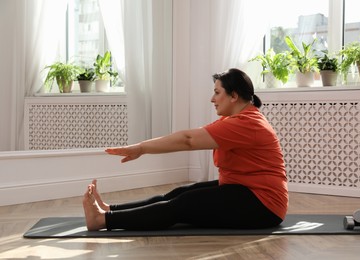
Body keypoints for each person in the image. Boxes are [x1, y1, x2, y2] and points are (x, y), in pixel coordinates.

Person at [83, 68, 288, 231]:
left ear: (233, 96)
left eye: (217, 92)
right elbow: (189, 139)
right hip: (243, 188)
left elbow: (188, 140)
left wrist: (141, 148)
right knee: (178, 194)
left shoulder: (247, 124)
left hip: (263, 204)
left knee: (183, 204)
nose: (212, 99)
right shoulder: (238, 120)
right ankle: (108, 210)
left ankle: (101, 221)